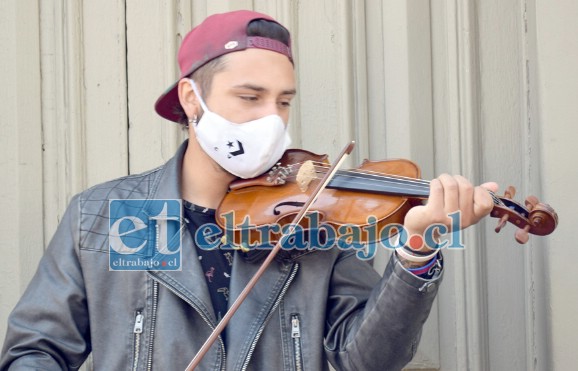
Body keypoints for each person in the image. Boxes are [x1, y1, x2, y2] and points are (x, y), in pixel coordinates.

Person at [0, 10, 497, 370]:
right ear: (191, 99)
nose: (271, 120)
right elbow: (34, 352)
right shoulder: (107, 215)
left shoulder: (312, 221)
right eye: (249, 97)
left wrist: (416, 249)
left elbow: (365, 359)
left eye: (283, 102)